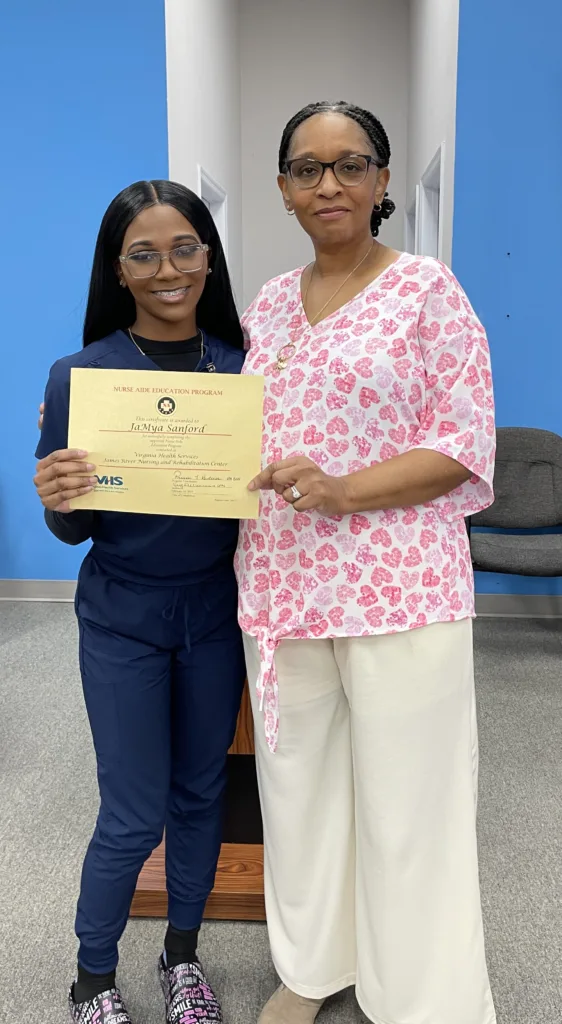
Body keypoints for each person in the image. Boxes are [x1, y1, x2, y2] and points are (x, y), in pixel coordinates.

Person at [237, 101, 497, 1024]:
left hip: (404, 589)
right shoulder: (266, 302)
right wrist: (95, 444)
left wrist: (347, 490)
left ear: (384, 182)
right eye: (307, 169)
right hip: (282, 587)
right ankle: (312, 968)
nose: (329, 184)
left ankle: (424, 1002)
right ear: (283, 190)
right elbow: (229, 437)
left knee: (409, 806)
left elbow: (463, 444)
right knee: (300, 792)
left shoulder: (430, 292)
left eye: (351, 165)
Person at [33, 180, 246, 1024]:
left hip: (217, 615)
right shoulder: (81, 374)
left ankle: (182, 958)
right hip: (123, 614)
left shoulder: (244, 364)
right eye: (145, 254)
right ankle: (92, 978)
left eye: (186, 248)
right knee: (130, 810)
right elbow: (71, 530)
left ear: (207, 256)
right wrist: (57, 494)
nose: (169, 269)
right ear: (118, 270)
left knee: (201, 794)